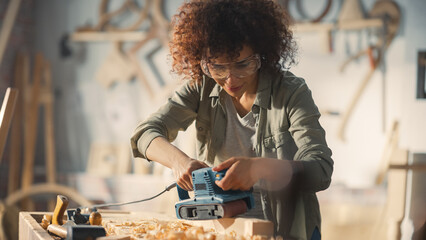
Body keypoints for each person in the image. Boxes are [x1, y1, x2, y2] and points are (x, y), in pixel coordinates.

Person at [130, 0, 333, 239]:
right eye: (217, 67)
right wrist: (179, 163)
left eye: (243, 65)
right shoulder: (200, 89)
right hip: (225, 231)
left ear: (261, 55)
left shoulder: (291, 93)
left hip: (286, 231)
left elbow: (320, 169)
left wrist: (260, 168)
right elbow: (144, 134)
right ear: (203, 62)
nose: (230, 79)